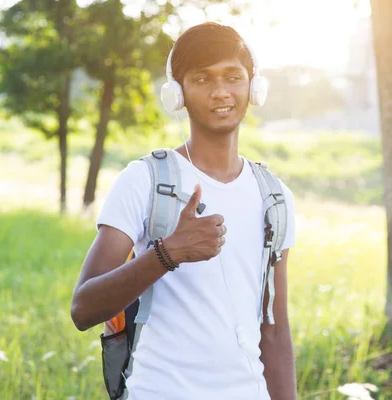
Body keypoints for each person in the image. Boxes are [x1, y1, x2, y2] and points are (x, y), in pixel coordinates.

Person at [70, 22, 297, 400]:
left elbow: (275, 330)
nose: (221, 92)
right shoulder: (143, 180)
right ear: (177, 94)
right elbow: (84, 309)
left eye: (233, 77)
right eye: (203, 79)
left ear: (253, 88)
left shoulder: (274, 196)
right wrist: (168, 252)